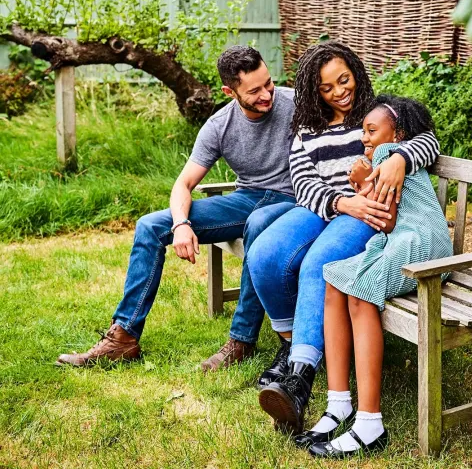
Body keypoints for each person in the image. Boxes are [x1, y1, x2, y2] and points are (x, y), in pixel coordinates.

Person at [56, 46, 297, 372]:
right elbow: (183, 185)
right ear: (229, 91)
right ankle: (123, 336)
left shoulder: (297, 103)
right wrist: (181, 223)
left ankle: (241, 340)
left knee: (259, 223)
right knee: (150, 226)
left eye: (268, 83)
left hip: (293, 201)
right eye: (254, 90)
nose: (267, 94)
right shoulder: (218, 126)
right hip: (247, 199)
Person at [247, 41, 440, 434]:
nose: (338, 92)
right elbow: (303, 183)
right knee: (265, 253)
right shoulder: (306, 127)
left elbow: (427, 140)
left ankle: (299, 378)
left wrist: (401, 158)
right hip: (328, 206)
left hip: (365, 212)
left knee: (319, 263)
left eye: (344, 80)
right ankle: (292, 345)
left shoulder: (375, 114)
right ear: (314, 91)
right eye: (326, 87)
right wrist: (339, 201)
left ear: (356, 73)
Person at [298, 95, 453, 458]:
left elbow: (386, 218)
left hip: (420, 243)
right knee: (335, 278)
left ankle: (370, 423)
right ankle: (338, 403)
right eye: (363, 131)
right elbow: (386, 215)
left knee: (360, 290)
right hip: (405, 238)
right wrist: (364, 182)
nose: (365, 138)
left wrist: (364, 179)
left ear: (396, 132)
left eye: (372, 130)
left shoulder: (389, 155)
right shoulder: (395, 154)